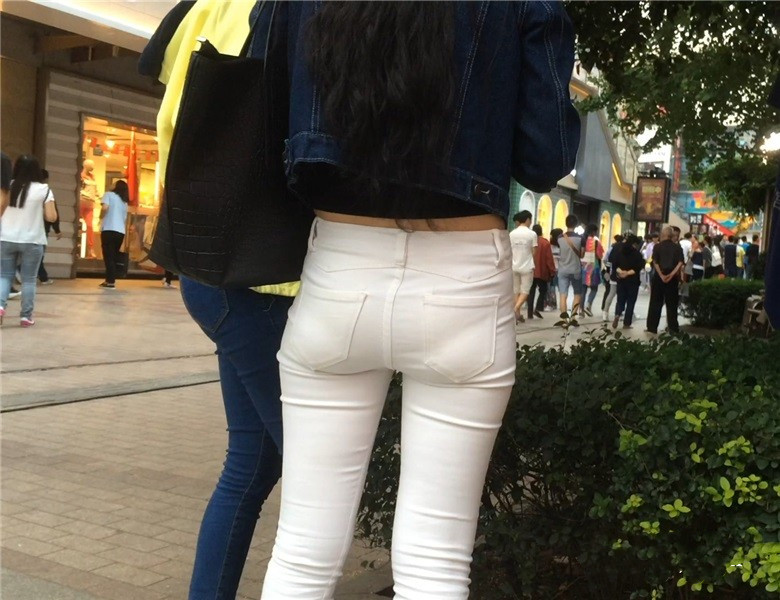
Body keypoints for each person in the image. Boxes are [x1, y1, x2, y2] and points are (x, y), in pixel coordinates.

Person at [260, 3, 580, 598]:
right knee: (436, 559)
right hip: (463, 277)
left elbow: (265, 110)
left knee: (301, 550)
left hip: (340, 267)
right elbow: (546, 158)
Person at [139, 2, 301, 597]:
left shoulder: (203, 6)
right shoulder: (292, 11)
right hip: (260, 279)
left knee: (252, 463)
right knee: (315, 480)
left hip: (211, 266)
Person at [0, 155, 57, 326]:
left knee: (4, 276)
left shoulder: (7, 186)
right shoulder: (44, 189)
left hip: (6, 238)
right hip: (33, 240)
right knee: (29, 279)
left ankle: (0, 307)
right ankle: (26, 316)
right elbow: (51, 217)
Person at [646, 225, 684, 334]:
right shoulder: (677, 248)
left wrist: (662, 275)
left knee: (655, 302)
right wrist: (671, 275)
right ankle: (673, 328)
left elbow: (655, 262)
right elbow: (680, 263)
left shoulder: (657, 247)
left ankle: (652, 327)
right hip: (672, 279)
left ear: (664, 234)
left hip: (659, 278)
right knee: (672, 304)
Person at [98, 180, 129, 289]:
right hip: (120, 231)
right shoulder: (124, 202)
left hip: (109, 228)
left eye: (114, 183)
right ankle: (109, 279)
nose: (111, 184)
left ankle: (110, 281)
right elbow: (124, 218)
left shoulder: (108, 194)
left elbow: (105, 208)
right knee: (113, 256)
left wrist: (100, 217)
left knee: (108, 255)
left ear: (116, 186)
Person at [611, 234, 644, 329]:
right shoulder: (637, 254)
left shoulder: (619, 252)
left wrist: (621, 272)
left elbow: (615, 265)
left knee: (620, 300)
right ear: (634, 244)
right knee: (631, 302)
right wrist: (627, 273)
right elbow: (638, 268)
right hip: (633, 281)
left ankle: (617, 314)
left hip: (621, 280)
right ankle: (627, 323)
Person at [509, 210, 537, 323]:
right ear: (528, 219)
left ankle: (517, 315)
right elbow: (534, 251)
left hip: (514, 265)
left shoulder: (512, 233)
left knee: (515, 291)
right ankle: (515, 309)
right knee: (525, 290)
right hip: (527, 266)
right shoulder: (532, 234)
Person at [557, 214, 583, 318]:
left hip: (562, 269)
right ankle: (572, 317)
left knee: (563, 294)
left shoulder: (559, 238)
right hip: (575, 269)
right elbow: (582, 254)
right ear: (576, 224)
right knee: (577, 294)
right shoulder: (580, 238)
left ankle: (563, 320)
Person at [37, 169, 60, 285]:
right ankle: (43, 277)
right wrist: (57, 229)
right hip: (42, 228)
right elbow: (52, 215)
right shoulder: (46, 191)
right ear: (46, 179)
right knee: (39, 254)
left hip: (22, 228)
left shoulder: (20, 188)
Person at [528, 224, 556, 320]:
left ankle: (529, 313)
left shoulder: (529, 242)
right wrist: (552, 271)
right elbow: (549, 259)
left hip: (530, 270)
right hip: (541, 271)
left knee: (531, 291)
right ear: (541, 232)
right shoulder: (545, 243)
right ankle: (538, 307)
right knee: (543, 290)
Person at [580, 223, 604, 317]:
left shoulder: (582, 240)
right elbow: (599, 255)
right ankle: (588, 304)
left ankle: (581, 311)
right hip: (594, 268)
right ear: (593, 232)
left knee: (583, 290)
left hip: (584, 268)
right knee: (594, 288)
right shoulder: (596, 242)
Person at [601, 233, 625, 322]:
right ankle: (618, 313)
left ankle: (605, 313)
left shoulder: (612, 248)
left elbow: (605, 260)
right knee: (621, 295)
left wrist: (609, 269)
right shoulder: (624, 248)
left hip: (613, 274)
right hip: (623, 274)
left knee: (611, 293)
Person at [80, 158, 98, 258]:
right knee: (76, 224)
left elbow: (95, 190)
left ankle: (91, 248)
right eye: (91, 165)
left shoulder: (93, 177)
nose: (93, 167)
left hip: (90, 204)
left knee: (90, 226)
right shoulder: (80, 176)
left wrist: (99, 196)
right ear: (86, 166)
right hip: (81, 202)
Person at [548, 227, 563, 311]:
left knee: (551, 287)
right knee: (562, 288)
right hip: (560, 270)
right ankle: (562, 304)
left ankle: (552, 304)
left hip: (552, 270)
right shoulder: (562, 247)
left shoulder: (549, 247)